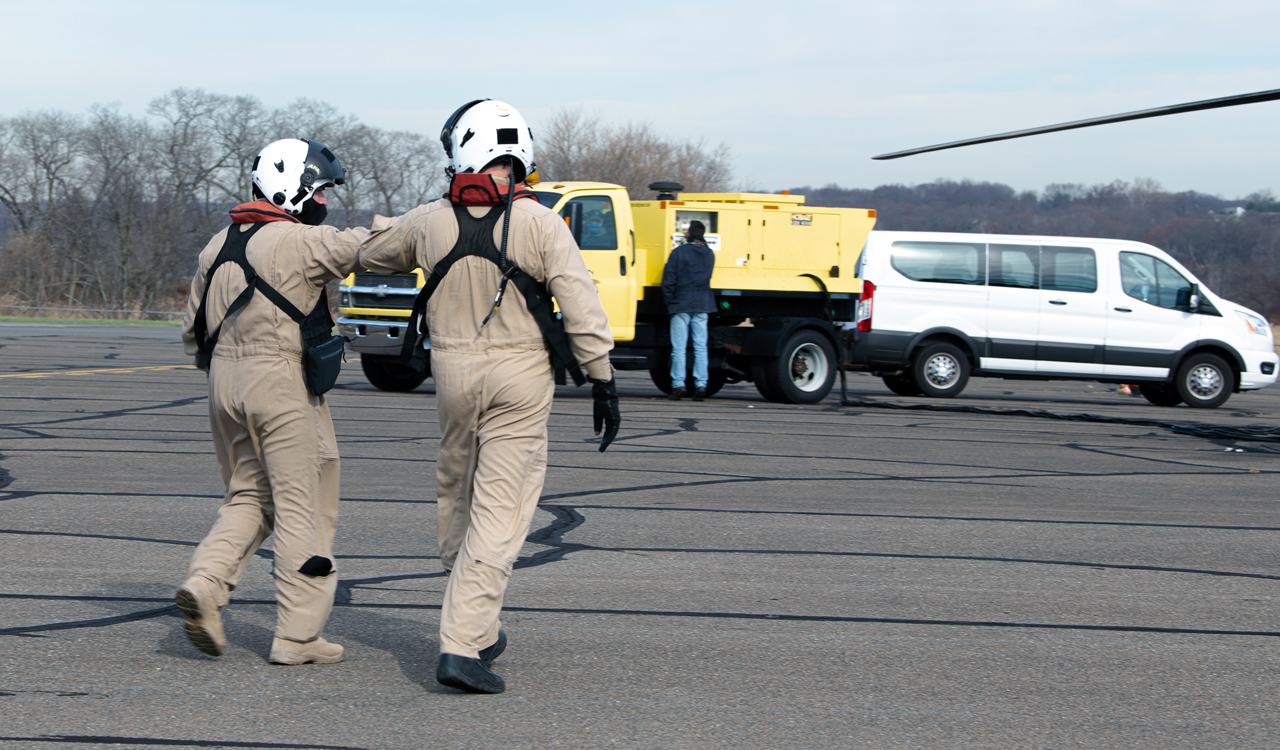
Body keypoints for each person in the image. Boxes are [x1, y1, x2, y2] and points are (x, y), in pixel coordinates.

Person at [358, 99, 619, 694]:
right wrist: (602, 378)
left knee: (457, 491)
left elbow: (372, 251)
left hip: (452, 376)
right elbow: (581, 305)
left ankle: (478, 620)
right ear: (519, 154)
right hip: (519, 379)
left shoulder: (429, 221)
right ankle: (460, 643)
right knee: (501, 511)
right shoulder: (541, 223)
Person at [177, 138, 368, 666]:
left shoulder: (216, 245)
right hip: (281, 383)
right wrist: (432, 221)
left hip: (223, 384)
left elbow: (192, 335)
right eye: (320, 191)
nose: (324, 202)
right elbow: (370, 246)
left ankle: (206, 583)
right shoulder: (301, 242)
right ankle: (297, 637)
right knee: (304, 505)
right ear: (292, 189)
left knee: (248, 497)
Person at [661, 220, 716, 400]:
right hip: (702, 304)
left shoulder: (678, 252)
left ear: (688, 235)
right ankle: (701, 385)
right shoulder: (709, 254)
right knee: (700, 347)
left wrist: (669, 301)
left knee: (679, 347)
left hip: (681, 303)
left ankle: (678, 385)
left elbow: (669, 279)